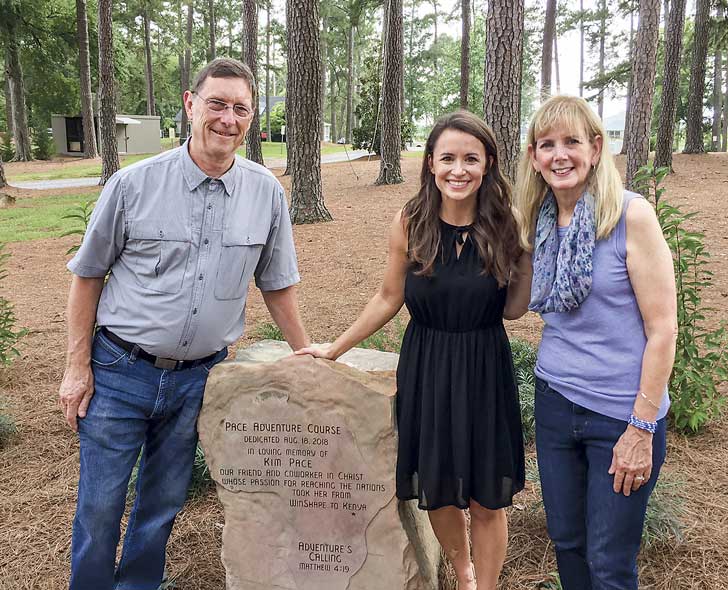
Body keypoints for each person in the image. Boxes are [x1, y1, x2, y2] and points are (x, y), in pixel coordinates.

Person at [59, 57, 309, 590]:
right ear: (190, 104)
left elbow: (277, 283)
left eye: (241, 108)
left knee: (163, 503)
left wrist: (307, 355)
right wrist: (76, 368)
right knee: (101, 505)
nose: (228, 118)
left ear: (252, 118)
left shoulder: (266, 192)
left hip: (200, 378)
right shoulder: (133, 185)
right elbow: (88, 277)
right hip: (119, 371)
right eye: (217, 103)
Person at [297, 111, 529, 590]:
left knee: (488, 498)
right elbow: (388, 296)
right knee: (439, 488)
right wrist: (335, 348)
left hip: (484, 368)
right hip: (428, 366)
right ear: (429, 163)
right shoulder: (411, 220)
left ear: (488, 164)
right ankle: (462, 571)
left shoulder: (507, 225)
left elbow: (514, 312)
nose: (458, 169)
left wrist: (524, 256)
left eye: (470, 158)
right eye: (447, 158)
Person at [513, 95, 677, 590]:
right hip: (556, 403)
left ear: (596, 148)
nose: (559, 155)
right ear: (534, 157)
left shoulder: (631, 215)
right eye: (546, 145)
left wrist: (640, 429)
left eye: (571, 142)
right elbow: (513, 307)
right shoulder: (537, 224)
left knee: (608, 561)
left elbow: (663, 328)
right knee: (567, 543)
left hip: (621, 414)